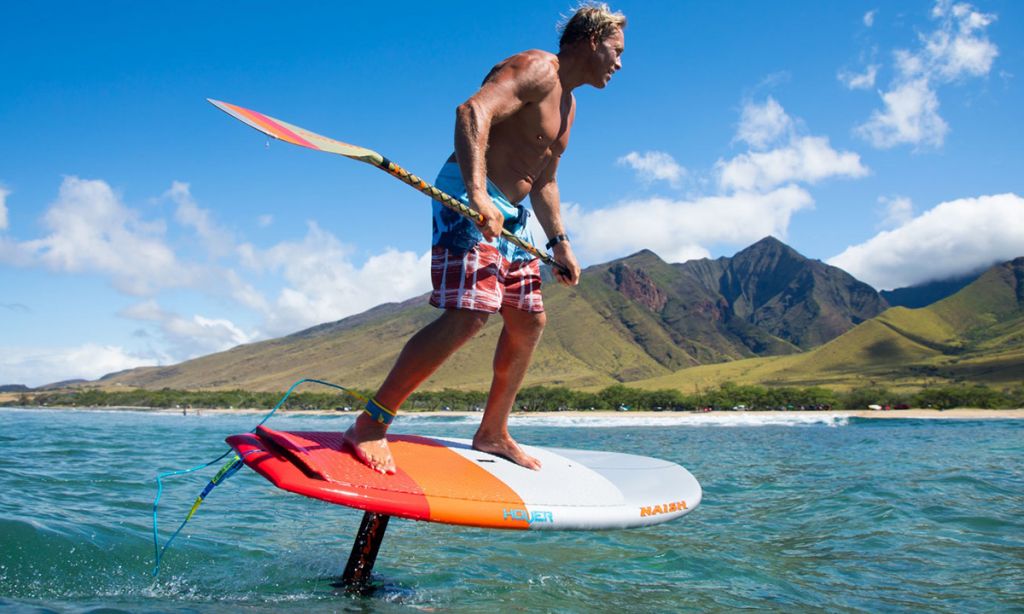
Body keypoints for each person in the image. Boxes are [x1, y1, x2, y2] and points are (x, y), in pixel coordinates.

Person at [344, 3, 626, 473]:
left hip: (514, 216)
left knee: (529, 320)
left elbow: (546, 181)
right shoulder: (537, 68)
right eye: (615, 52)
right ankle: (370, 424)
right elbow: (473, 111)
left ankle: (493, 432)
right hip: (471, 193)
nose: (619, 64)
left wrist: (560, 242)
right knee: (472, 312)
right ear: (592, 41)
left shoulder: (570, 106)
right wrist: (478, 194)